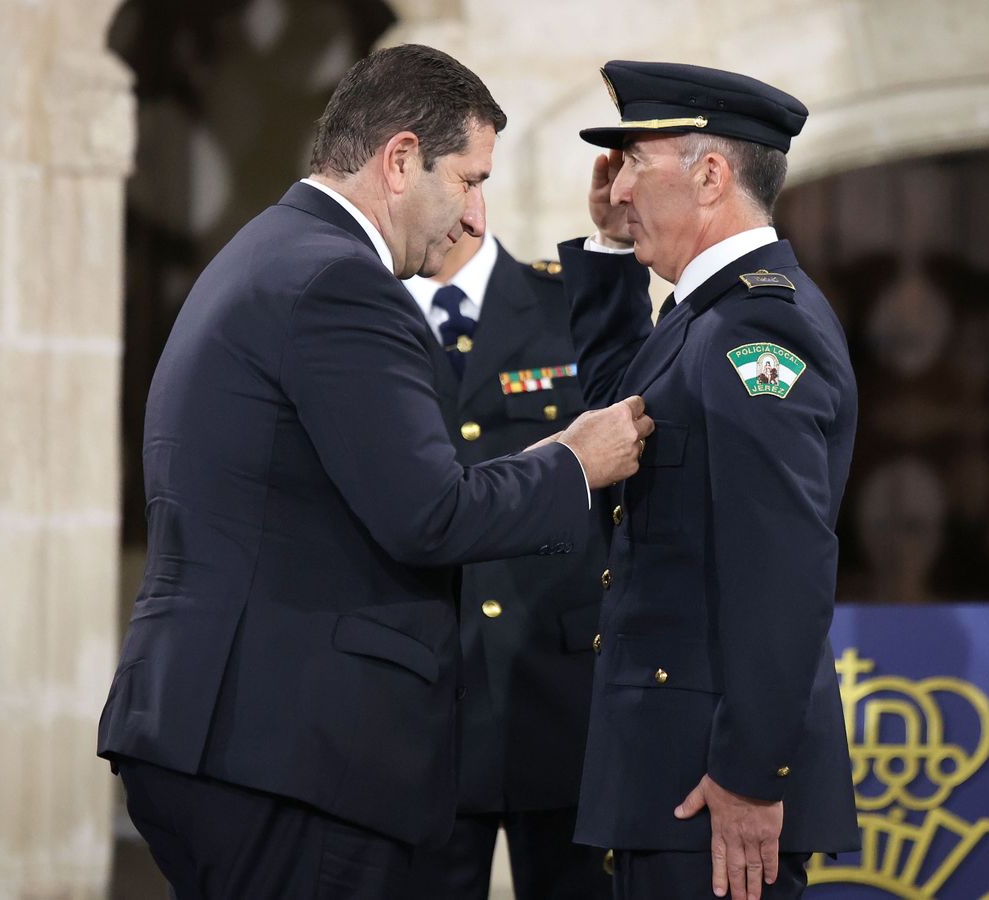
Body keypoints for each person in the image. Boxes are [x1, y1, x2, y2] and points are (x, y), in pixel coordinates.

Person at [96, 44, 653, 900]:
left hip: (229, 735)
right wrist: (574, 463)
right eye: (468, 180)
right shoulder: (337, 281)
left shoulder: (268, 251)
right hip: (290, 751)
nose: (473, 218)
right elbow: (430, 512)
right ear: (399, 160)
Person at [559, 61, 862, 900]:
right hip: (675, 772)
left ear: (711, 176)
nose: (618, 188)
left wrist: (751, 775)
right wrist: (611, 252)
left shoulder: (755, 330)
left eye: (634, 162)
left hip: (714, 788)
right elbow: (622, 420)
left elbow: (784, 569)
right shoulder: (707, 316)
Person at [398, 231, 614, 899]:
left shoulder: (568, 303)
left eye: (471, 181)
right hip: (426, 706)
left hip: (566, 695)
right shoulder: (368, 318)